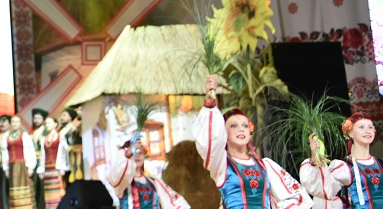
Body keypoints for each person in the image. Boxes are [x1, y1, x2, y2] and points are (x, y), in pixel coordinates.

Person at [195, 74, 311, 209]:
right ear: (224, 133)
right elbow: (210, 143)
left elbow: (297, 196)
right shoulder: (222, 164)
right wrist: (210, 103)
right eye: (234, 126)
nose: (241, 129)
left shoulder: (265, 166)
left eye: (245, 125)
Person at [301, 111, 383, 209]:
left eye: (370, 127)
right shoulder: (345, 166)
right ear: (350, 133)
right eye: (361, 127)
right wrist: (316, 157)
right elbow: (324, 189)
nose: (367, 131)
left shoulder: (381, 164)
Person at [107, 136, 189, 209]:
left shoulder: (155, 182)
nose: (137, 155)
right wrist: (129, 152)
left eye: (140, 152)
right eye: (134, 152)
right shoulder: (122, 184)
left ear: (144, 156)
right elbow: (118, 174)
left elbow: (175, 203)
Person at [0, 115, 35, 209]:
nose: (15, 124)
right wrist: (6, 168)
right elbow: (5, 153)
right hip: (12, 165)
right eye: (13, 122)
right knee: (13, 187)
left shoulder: (24, 135)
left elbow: (30, 151)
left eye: (17, 122)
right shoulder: (7, 136)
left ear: (20, 124)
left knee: (24, 185)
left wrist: (30, 167)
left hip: (22, 165)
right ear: (10, 124)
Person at [37, 117, 64, 209]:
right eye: (46, 123)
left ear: (55, 124)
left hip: (56, 167)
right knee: (48, 192)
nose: (47, 125)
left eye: (49, 123)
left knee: (58, 190)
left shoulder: (60, 137)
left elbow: (62, 152)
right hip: (47, 168)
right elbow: (43, 155)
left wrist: (62, 167)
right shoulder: (45, 139)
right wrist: (41, 169)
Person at [30, 109, 48, 209]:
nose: (36, 120)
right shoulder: (33, 131)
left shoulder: (46, 131)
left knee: (42, 185)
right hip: (34, 161)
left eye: (39, 118)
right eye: (35, 118)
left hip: (43, 160)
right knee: (34, 185)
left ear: (43, 120)